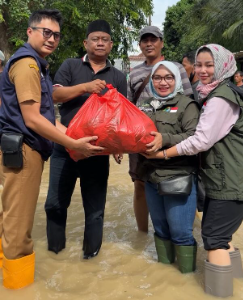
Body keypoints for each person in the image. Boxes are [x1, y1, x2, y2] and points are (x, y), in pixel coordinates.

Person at [0, 9, 104, 289]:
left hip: (27, 150)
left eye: (56, 35)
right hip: (23, 152)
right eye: (46, 32)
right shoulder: (27, 65)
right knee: (19, 228)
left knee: (11, 219)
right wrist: (72, 144)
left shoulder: (39, 65)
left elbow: (49, 120)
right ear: (30, 32)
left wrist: (76, 137)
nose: (52, 39)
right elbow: (33, 119)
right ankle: (18, 289)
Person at [142, 44, 243, 298]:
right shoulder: (210, 94)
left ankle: (218, 294)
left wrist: (163, 150)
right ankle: (235, 285)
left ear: (223, 66)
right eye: (199, 65)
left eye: (209, 65)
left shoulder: (216, 98)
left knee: (213, 238)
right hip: (222, 177)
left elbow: (200, 140)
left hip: (227, 179)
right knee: (222, 235)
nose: (203, 70)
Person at [44, 20, 127, 260]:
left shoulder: (118, 76)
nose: (99, 43)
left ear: (111, 44)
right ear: (86, 42)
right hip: (65, 147)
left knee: (95, 211)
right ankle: (55, 254)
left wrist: (118, 146)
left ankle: (90, 257)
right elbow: (54, 95)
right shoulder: (70, 66)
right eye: (95, 39)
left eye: (104, 39)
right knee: (54, 205)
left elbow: (119, 115)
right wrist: (85, 87)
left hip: (97, 152)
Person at [127, 25, 193, 232]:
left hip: (171, 135)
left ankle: (183, 229)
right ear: (140, 44)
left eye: (153, 39)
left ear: (161, 42)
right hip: (140, 141)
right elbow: (129, 110)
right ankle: (142, 234)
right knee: (140, 185)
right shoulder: (134, 73)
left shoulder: (176, 68)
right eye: (144, 40)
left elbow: (188, 101)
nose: (149, 44)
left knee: (180, 183)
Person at [138, 61, 199, 273]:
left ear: (176, 79)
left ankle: (186, 280)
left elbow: (194, 137)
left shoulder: (186, 104)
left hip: (177, 176)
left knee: (181, 233)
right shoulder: (145, 105)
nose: (163, 82)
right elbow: (132, 130)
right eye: (157, 78)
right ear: (152, 80)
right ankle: (165, 280)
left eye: (168, 78)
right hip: (151, 177)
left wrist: (164, 138)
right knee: (161, 230)